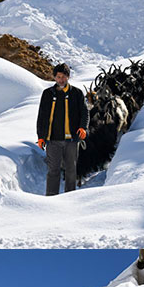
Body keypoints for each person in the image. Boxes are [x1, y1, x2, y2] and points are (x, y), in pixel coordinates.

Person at [35, 63, 89, 195]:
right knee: (53, 170)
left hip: (71, 140)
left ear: (68, 77)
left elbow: (84, 112)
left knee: (71, 170)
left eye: (63, 77)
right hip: (53, 140)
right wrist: (41, 136)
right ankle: (51, 198)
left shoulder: (77, 93)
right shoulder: (47, 94)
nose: (61, 80)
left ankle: (70, 198)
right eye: (58, 77)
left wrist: (83, 128)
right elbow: (42, 116)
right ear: (54, 77)